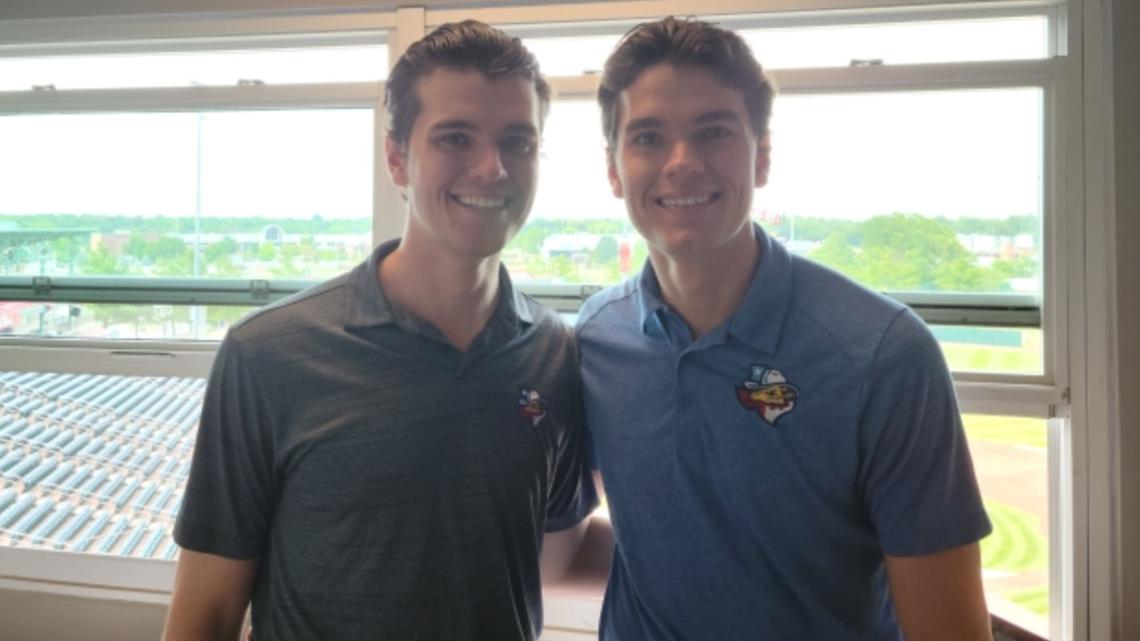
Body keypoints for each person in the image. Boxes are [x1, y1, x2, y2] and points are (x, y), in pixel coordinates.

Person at [162, 21, 598, 641]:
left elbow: (544, 554)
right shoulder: (268, 355)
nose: (492, 168)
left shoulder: (555, 354)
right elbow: (203, 613)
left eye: (518, 142)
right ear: (397, 157)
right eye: (455, 137)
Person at [576, 16, 994, 641]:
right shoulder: (595, 336)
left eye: (713, 132)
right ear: (613, 169)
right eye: (648, 138)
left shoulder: (885, 354)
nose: (682, 162)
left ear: (762, 156)